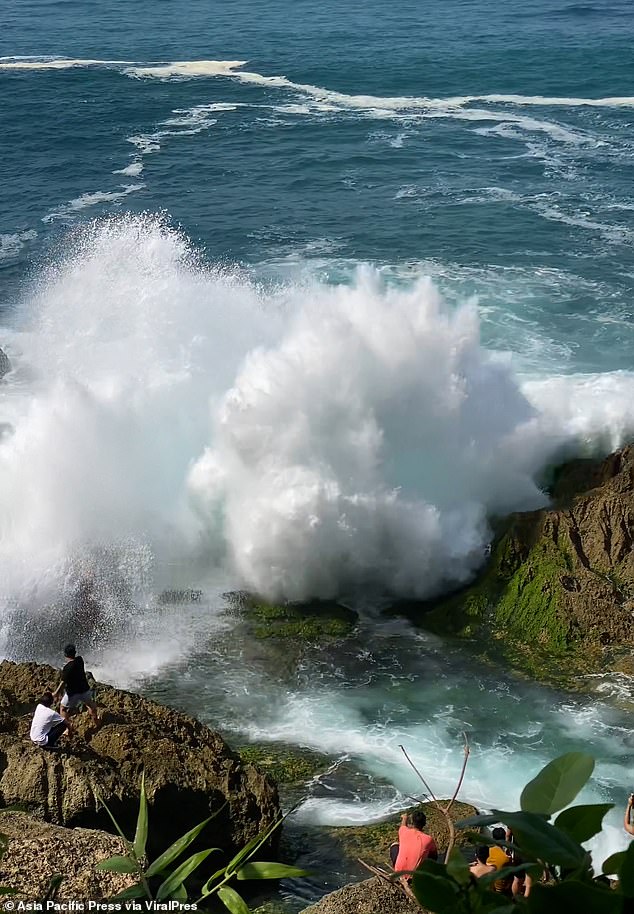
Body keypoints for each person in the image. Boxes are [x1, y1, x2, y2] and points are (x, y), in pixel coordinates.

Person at [391, 811, 438, 896]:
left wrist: (404, 818)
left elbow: (403, 825)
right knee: (429, 853)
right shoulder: (428, 839)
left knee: (395, 845)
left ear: (412, 822)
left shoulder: (404, 831)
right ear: (424, 823)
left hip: (399, 872)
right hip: (413, 876)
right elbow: (434, 856)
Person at [52, 643, 100, 727]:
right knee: (90, 705)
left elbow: (63, 682)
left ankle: (66, 728)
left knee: (63, 708)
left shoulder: (67, 668)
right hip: (84, 690)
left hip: (72, 694)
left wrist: (56, 693)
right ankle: (96, 720)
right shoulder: (80, 660)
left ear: (65, 654)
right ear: (75, 652)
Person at [487, 827, 512, 894]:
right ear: (504, 839)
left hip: (488, 884)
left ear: (493, 838)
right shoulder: (506, 857)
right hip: (500, 888)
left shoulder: (487, 852)